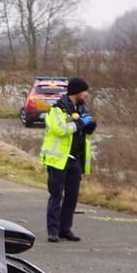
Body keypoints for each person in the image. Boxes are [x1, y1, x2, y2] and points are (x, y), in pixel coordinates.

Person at [40, 76, 94, 242]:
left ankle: (65, 229)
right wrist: (79, 125)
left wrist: (89, 126)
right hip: (58, 160)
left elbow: (86, 129)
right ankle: (53, 231)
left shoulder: (81, 109)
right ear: (77, 91)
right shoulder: (56, 109)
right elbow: (60, 129)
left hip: (75, 159)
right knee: (56, 195)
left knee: (72, 196)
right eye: (85, 91)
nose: (87, 95)